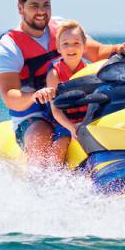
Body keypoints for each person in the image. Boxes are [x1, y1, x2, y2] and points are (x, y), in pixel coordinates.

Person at [0, 0, 125, 166]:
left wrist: (118, 49)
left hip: (70, 107)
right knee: (40, 138)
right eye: (34, 5)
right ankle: (42, 190)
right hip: (34, 116)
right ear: (20, 8)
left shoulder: (62, 29)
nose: (42, 11)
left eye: (46, 4)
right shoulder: (8, 46)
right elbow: (9, 95)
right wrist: (35, 95)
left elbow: (97, 52)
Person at [46, 20, 89, 158]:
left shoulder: (90, 72)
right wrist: (72, 128)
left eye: (76, 43)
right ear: (58, 48)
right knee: (61, 144)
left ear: (84, 46)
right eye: (65, 44)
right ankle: (52, 176)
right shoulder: (54, 74)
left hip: (87, 120)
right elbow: (56, 110)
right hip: (64, 122)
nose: (71, 48)